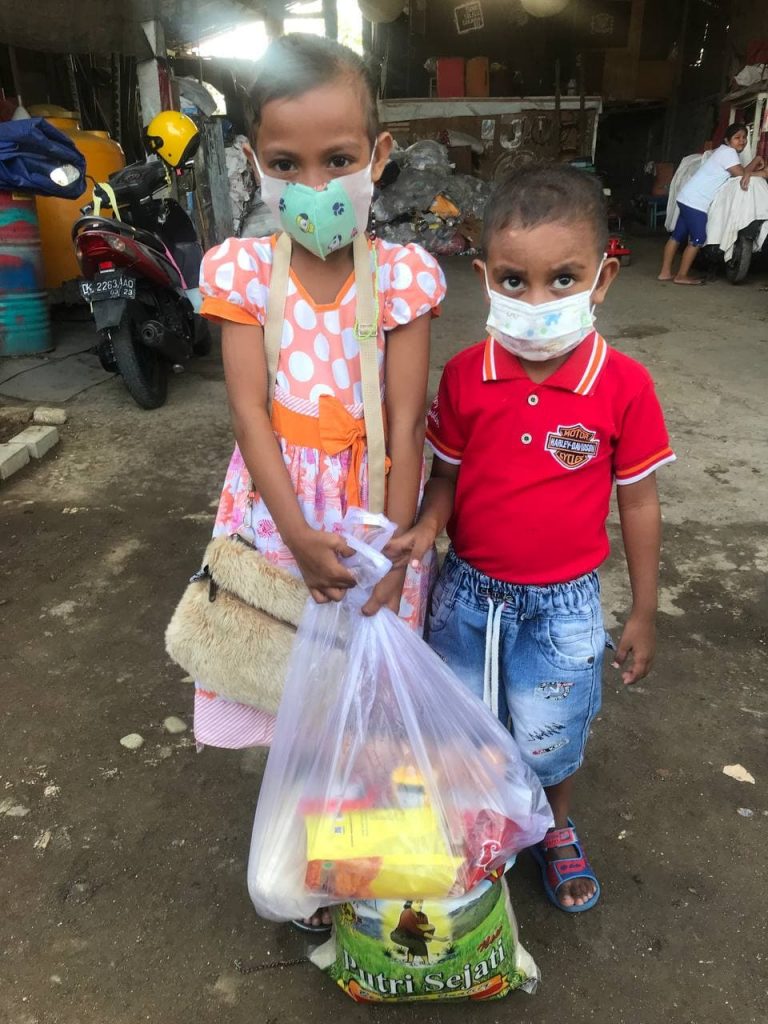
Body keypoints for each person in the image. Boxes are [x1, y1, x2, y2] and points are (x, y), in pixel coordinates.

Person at [195, 34, 446, 931]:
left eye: (338, 160)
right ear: (254, 166)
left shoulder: (404, 278)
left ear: (377, 159)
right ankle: (301, 862)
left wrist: (389, 546)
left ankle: (358, 852)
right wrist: (297, 534)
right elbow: (250, 411)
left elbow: (409, 422)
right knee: (288, 683)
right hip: (277, 511)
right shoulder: (240, 274)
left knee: (363, 695)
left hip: (373, 507)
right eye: (285, 163)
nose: (314, 183)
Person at [387, 165, 675, 913]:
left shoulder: (624, 386)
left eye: (564, 279)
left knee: (552, 737)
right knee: (465, 726)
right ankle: (479, 821)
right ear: (483, 277)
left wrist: (643, 611)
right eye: (514, 281)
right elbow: (445, 477)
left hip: (566, 607)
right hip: (468, 593)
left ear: (602, 279)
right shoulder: (462, 377)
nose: (536, 301)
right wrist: (426, 525)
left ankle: (553, 826)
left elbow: (638, 503)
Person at [658, 122, 765, 284]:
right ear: (728, 141)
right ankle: (681, 276)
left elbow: (742, 173)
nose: (742, 141)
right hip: (696, 202)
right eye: (737, 138)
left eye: (744, 138)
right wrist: (763, 173)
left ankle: (665, 273)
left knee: (677, 236)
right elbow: (742, 174)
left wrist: (756, 159)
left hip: (686, 197)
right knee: (699, 239)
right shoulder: (729, 153)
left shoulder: (724, 152)